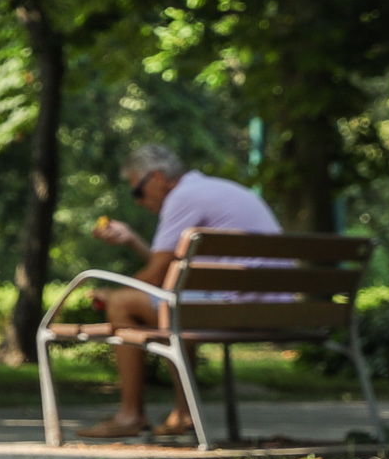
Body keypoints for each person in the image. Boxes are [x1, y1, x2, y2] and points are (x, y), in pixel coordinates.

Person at [80, 143, 282, 439]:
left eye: (137, 191)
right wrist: (134, 241)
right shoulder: (218, 189)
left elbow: (157, 276)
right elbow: (171, 274)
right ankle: (184, 412)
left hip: (230, 305)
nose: (138, 201)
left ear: (158, 178)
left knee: (123, 304)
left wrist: (115, 296)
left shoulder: (182, 198)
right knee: (172, 306)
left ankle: (130, 416)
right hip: (271, 304)